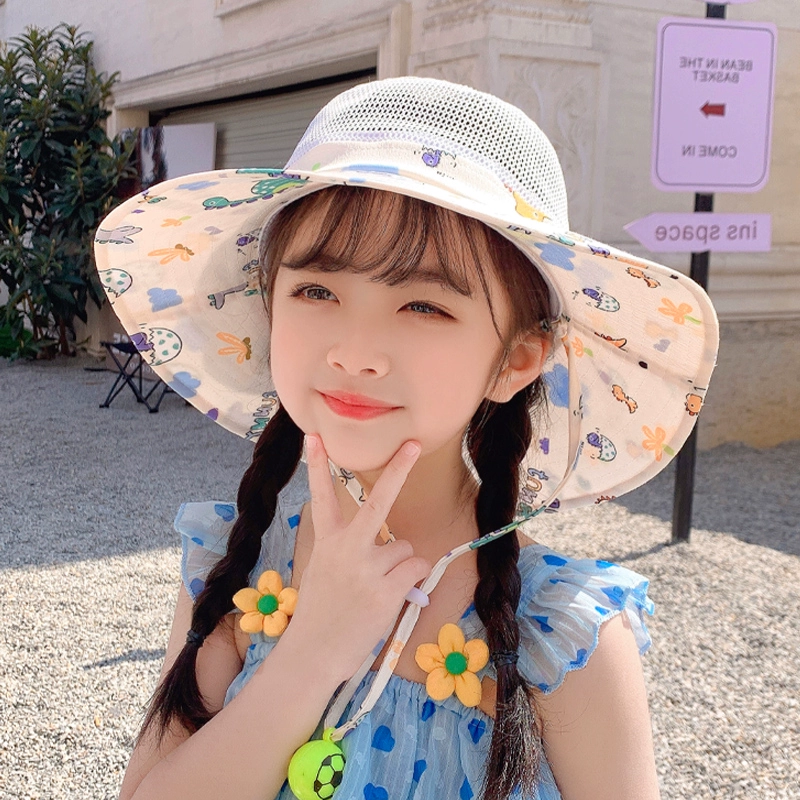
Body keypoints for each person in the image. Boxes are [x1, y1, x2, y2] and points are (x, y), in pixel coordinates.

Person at [94, 77, 718, 800]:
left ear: (516, 359)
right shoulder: (236, 568)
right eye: (317, 291)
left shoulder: (566, 638)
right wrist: (311, 653)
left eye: (424, 305)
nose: (355, 353)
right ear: (269, 307)